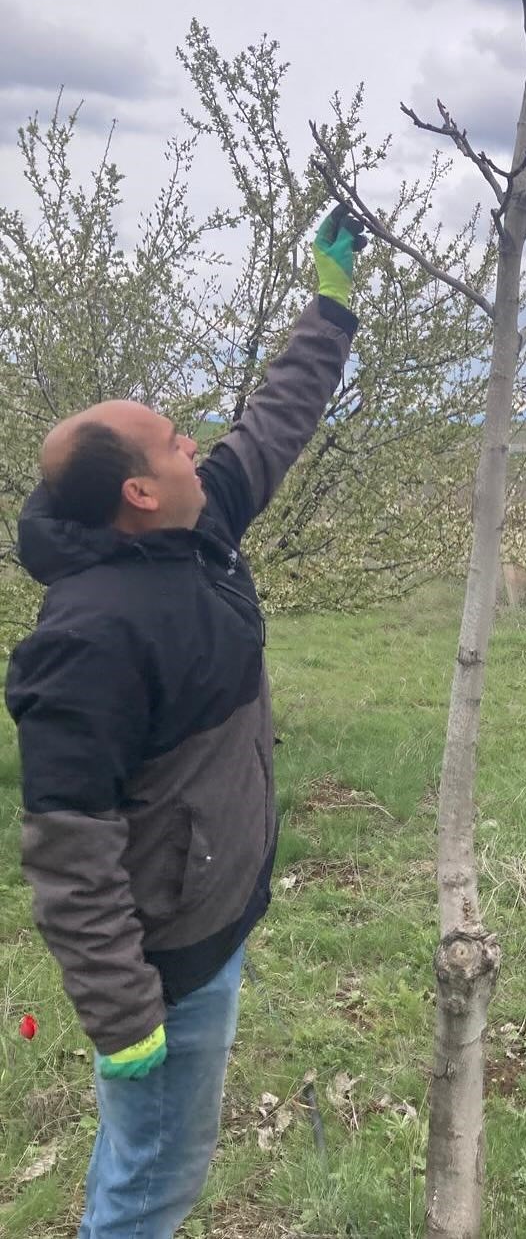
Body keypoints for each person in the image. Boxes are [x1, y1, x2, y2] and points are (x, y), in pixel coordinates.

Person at [5, 206, 367, 1239]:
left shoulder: (195, 531)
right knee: (154, 1183)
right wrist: (122, 1019)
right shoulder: (87, 639)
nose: (195, 443)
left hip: (212, 914)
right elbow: (69, 853)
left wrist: (330, 310)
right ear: (135, 490)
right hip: (167, 965)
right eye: (172, 441)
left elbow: (274, 422)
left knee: (141, 1160)